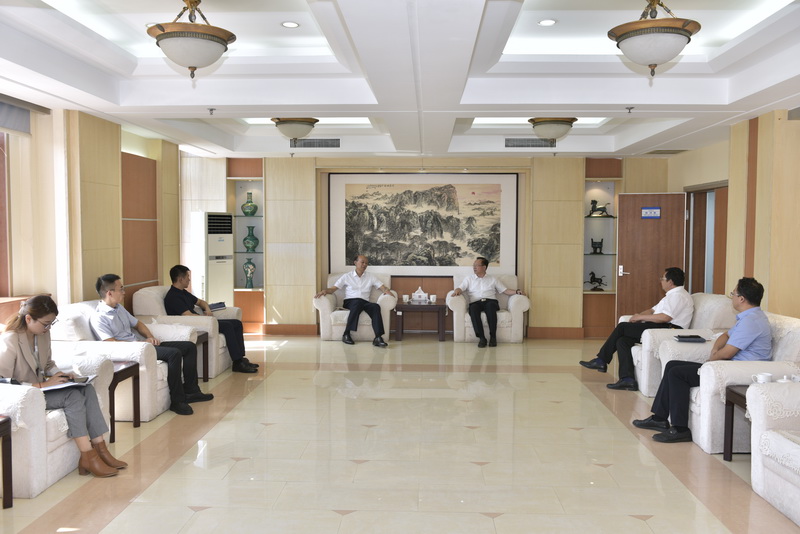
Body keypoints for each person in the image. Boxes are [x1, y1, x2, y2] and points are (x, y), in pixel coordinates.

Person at [633, 277, 772, 443]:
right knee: (672, 365)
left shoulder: (751, 322)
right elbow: (726, 335)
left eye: (733, 294)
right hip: (727, 366)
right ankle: (659, 418)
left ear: (741, 299)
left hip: (736, 372)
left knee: (677, 373)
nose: (732, 297)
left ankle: (680, 429)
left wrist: (713, 359)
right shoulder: (749, 317)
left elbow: (728, 353)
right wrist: (714, 350)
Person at [0, 295, 126, 478]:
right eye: (45, 324)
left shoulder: (42, 335)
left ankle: (101, 450)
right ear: (28, 319)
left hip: (43, 388)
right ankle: (87, 457)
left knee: (86, 388)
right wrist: (42, 384)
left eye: (51, 323)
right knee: (72, 397)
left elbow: (48, 364)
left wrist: (61, 374)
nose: (48, 328)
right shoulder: (10, 340)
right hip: (25, 395)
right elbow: (3, 381)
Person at [90, 274, 213, 416]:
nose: (124, 292)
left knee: (189, 347)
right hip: (133, 351)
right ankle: (177, 401)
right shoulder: (99, 317)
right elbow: (110, 344)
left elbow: (138, 324)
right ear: (109, 293)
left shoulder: (119, 308)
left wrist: (150, 337)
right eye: (121, 289)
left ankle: (192, 391)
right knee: (174, 354)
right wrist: (141, 344)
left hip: (143, 346)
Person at [580, 267, 693, 391]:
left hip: (669, 330)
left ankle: (601, 360)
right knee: (622, 341)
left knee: (622, 327)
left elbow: (665, 317)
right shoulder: (671, 296)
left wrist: (640, 317)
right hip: (660, 327)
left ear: (670, 282)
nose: (660, 281)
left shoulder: (678, 296)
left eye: (662, 278)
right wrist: (637, 317)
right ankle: (627, 380)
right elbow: (652, 310)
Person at [164, 265, 258, 374]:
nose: (189, 279)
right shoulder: (173, 297)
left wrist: (207, 309)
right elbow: (188, 316)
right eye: (187, 277)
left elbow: (201, 302)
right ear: (180, 279)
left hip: (201, 321)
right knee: (227, 326)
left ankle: (241, 358)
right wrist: (205, 319)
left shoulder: (183, 292)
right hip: (191, 325)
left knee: (236, 323)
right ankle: (237, 363)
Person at [315, 255, 392, 346]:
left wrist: (387, 291)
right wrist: (325, 291)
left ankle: (378, 337)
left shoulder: (370, 277)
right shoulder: (347, 276)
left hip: (364, 302)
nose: (364, 265)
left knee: (375, 306)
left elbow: (383, 287)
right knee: (357, 302)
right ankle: (346, 334)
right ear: (355, 263)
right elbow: (333, 289)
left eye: (366, 263)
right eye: (362, 262)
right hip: (350, 301)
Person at [452, 257, 525, 348]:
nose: (474, 267)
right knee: (473, 309)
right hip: (476, 302)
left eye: (477, 265)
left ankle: (493, 337)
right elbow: (460, 288)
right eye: (474, 265)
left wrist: (517, 292)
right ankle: (482, 338)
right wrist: (457, 291)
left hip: (490, 301)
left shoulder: (493, 279)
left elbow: (505, 290)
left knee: (490, 307)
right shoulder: (469, 279)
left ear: (484, 267)